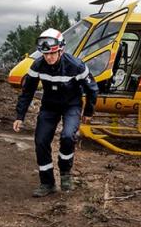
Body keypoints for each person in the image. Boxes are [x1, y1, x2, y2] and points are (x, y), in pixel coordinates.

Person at [13, 28, 99, 197]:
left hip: (71, 106)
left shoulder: (76, 65)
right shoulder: (38, 65)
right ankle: (47, 183)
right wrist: (20, 116)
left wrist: (88, 111)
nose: (49, 58)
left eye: (52, 54)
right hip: (49, 106)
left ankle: (66, 174)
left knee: (67, 137)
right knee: (41, 141)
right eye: (45, 55)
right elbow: (27, 91)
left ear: (61, 50)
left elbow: (92, 89)